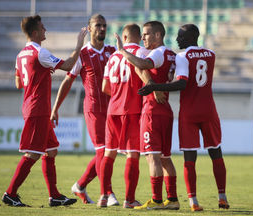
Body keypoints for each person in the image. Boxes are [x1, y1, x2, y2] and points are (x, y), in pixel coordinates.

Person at [138, 24, 229, 211]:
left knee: (189, 158)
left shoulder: (182, 56)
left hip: (189, 111)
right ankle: (222, 197)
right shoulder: (211, 54)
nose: (177, 39)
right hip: (209, 110)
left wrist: (155, 87)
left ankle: (193, 202)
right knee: (216, 153)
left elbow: (181, 84)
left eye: (180, 36)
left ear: (190, 37)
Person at [2, 15, 87, 207]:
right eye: (42, 28)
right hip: (37, 108)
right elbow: (67, 65)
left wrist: (38, 73)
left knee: (51, 151)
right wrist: (79, 45)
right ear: (35, 33)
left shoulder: (21, 54)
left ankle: (54, 196)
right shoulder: (39, 52)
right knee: (32, 154)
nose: (45, 30)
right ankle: (10, 193)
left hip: (35, 106)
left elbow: (18, 83)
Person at [50, 14, 118, 206]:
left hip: (112, 110)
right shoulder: (82, 54)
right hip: (93, 109)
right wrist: (55, 108)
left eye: (104, 25)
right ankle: (107, 193)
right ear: (89, 29)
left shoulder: (114, 52)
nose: (102, 29)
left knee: (108, 152)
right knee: (103, 150)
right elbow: (67, 81)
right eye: (98, 25)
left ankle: (80, 185)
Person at [115, 21, 179, 210]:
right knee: (166, 158)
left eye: (147, 34)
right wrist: (153, 84)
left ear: (158, 35)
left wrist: (122, 51)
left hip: (152, 109)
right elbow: (140, 68)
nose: (142, 38)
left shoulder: (157, 53)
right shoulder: (171, 54)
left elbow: (141, 64)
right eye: (142, 34)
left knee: (152, 157)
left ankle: (157, 200)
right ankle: (173, 199)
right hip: (165, 109)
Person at [96, 23, 149, 208]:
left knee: (109, 153)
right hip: (133, 110)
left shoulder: (112, 57)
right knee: (132, 155)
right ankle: (129, 199)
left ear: (124, 38)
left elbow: (105, 88)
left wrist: (119, 93)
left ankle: (103, 196)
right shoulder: (142, 53)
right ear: (139, 37)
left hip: (113, 110)